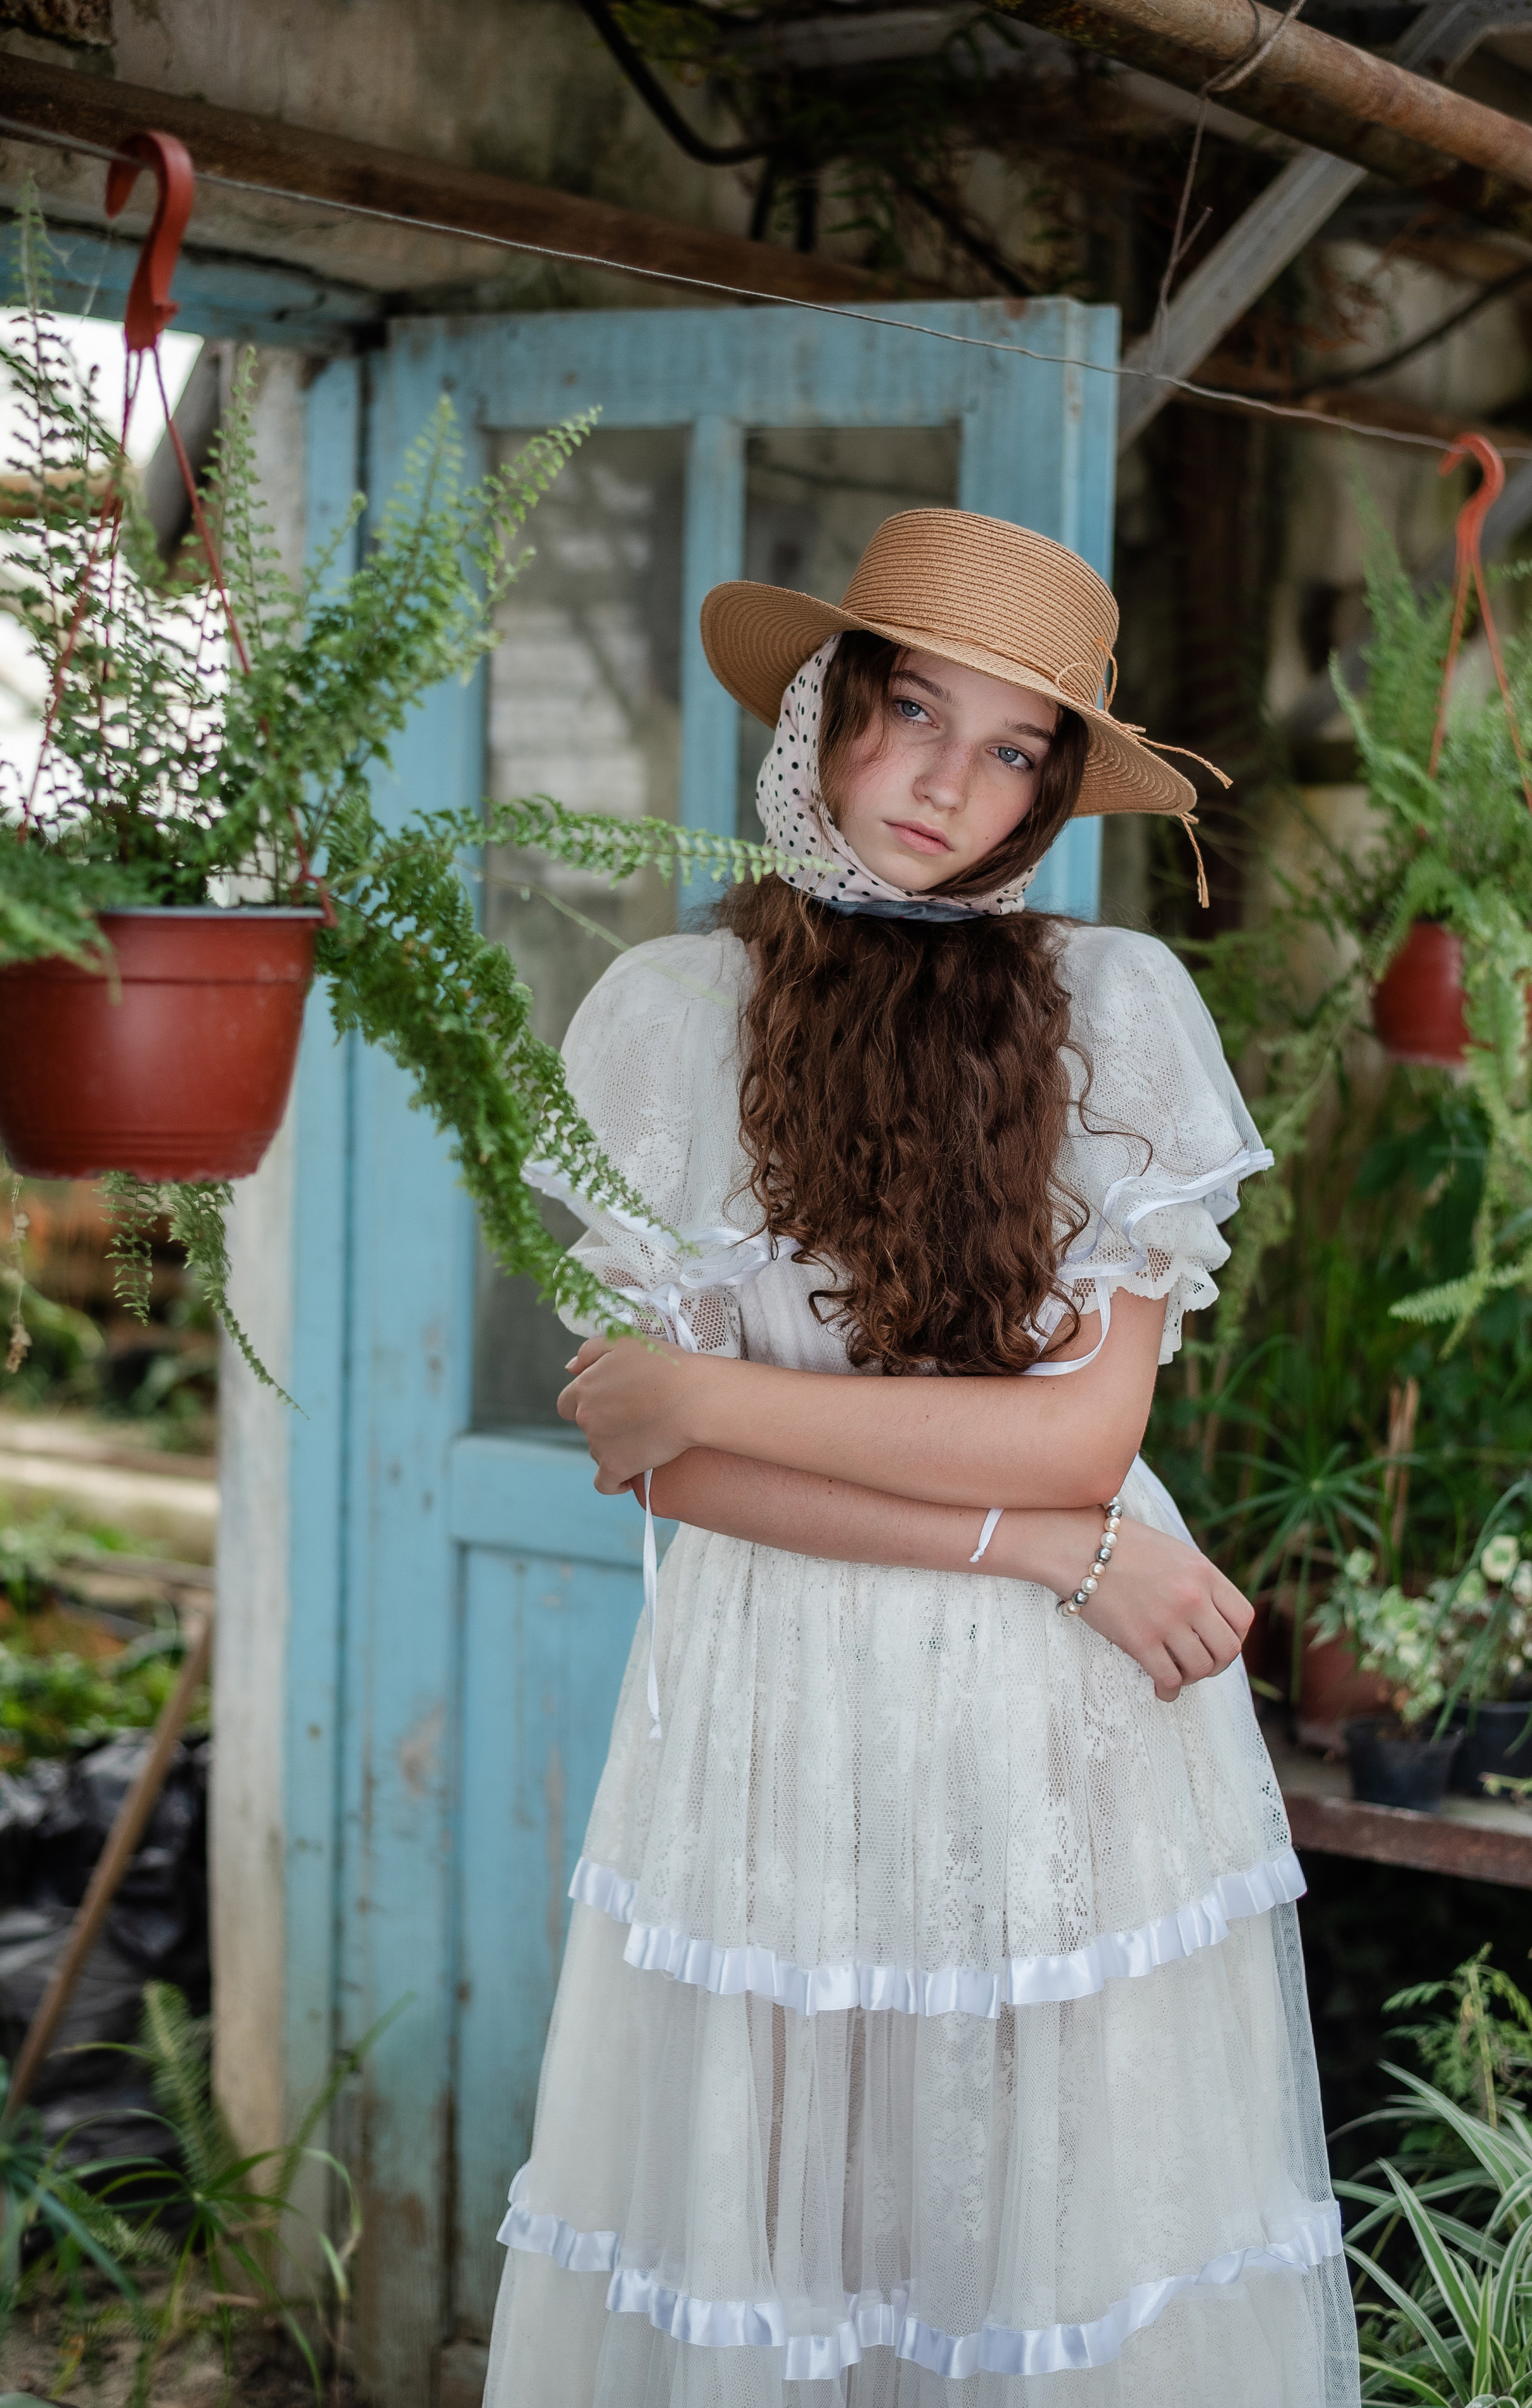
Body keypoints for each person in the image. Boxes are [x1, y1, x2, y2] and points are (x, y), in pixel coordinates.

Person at [482, 508, 1358, 2406]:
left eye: (1015, 746)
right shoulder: (667, 1019)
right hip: (781, 1706)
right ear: (825, 713)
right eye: (910, 713)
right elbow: (673, 1477)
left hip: (1062, 1726)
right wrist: (1052, 1544)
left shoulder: (1117, 1011)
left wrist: (706, 1389)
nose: (949, 782)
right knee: (782, 2251)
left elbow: (1083, 1432)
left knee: (1034, 2257)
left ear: (1054, 792)